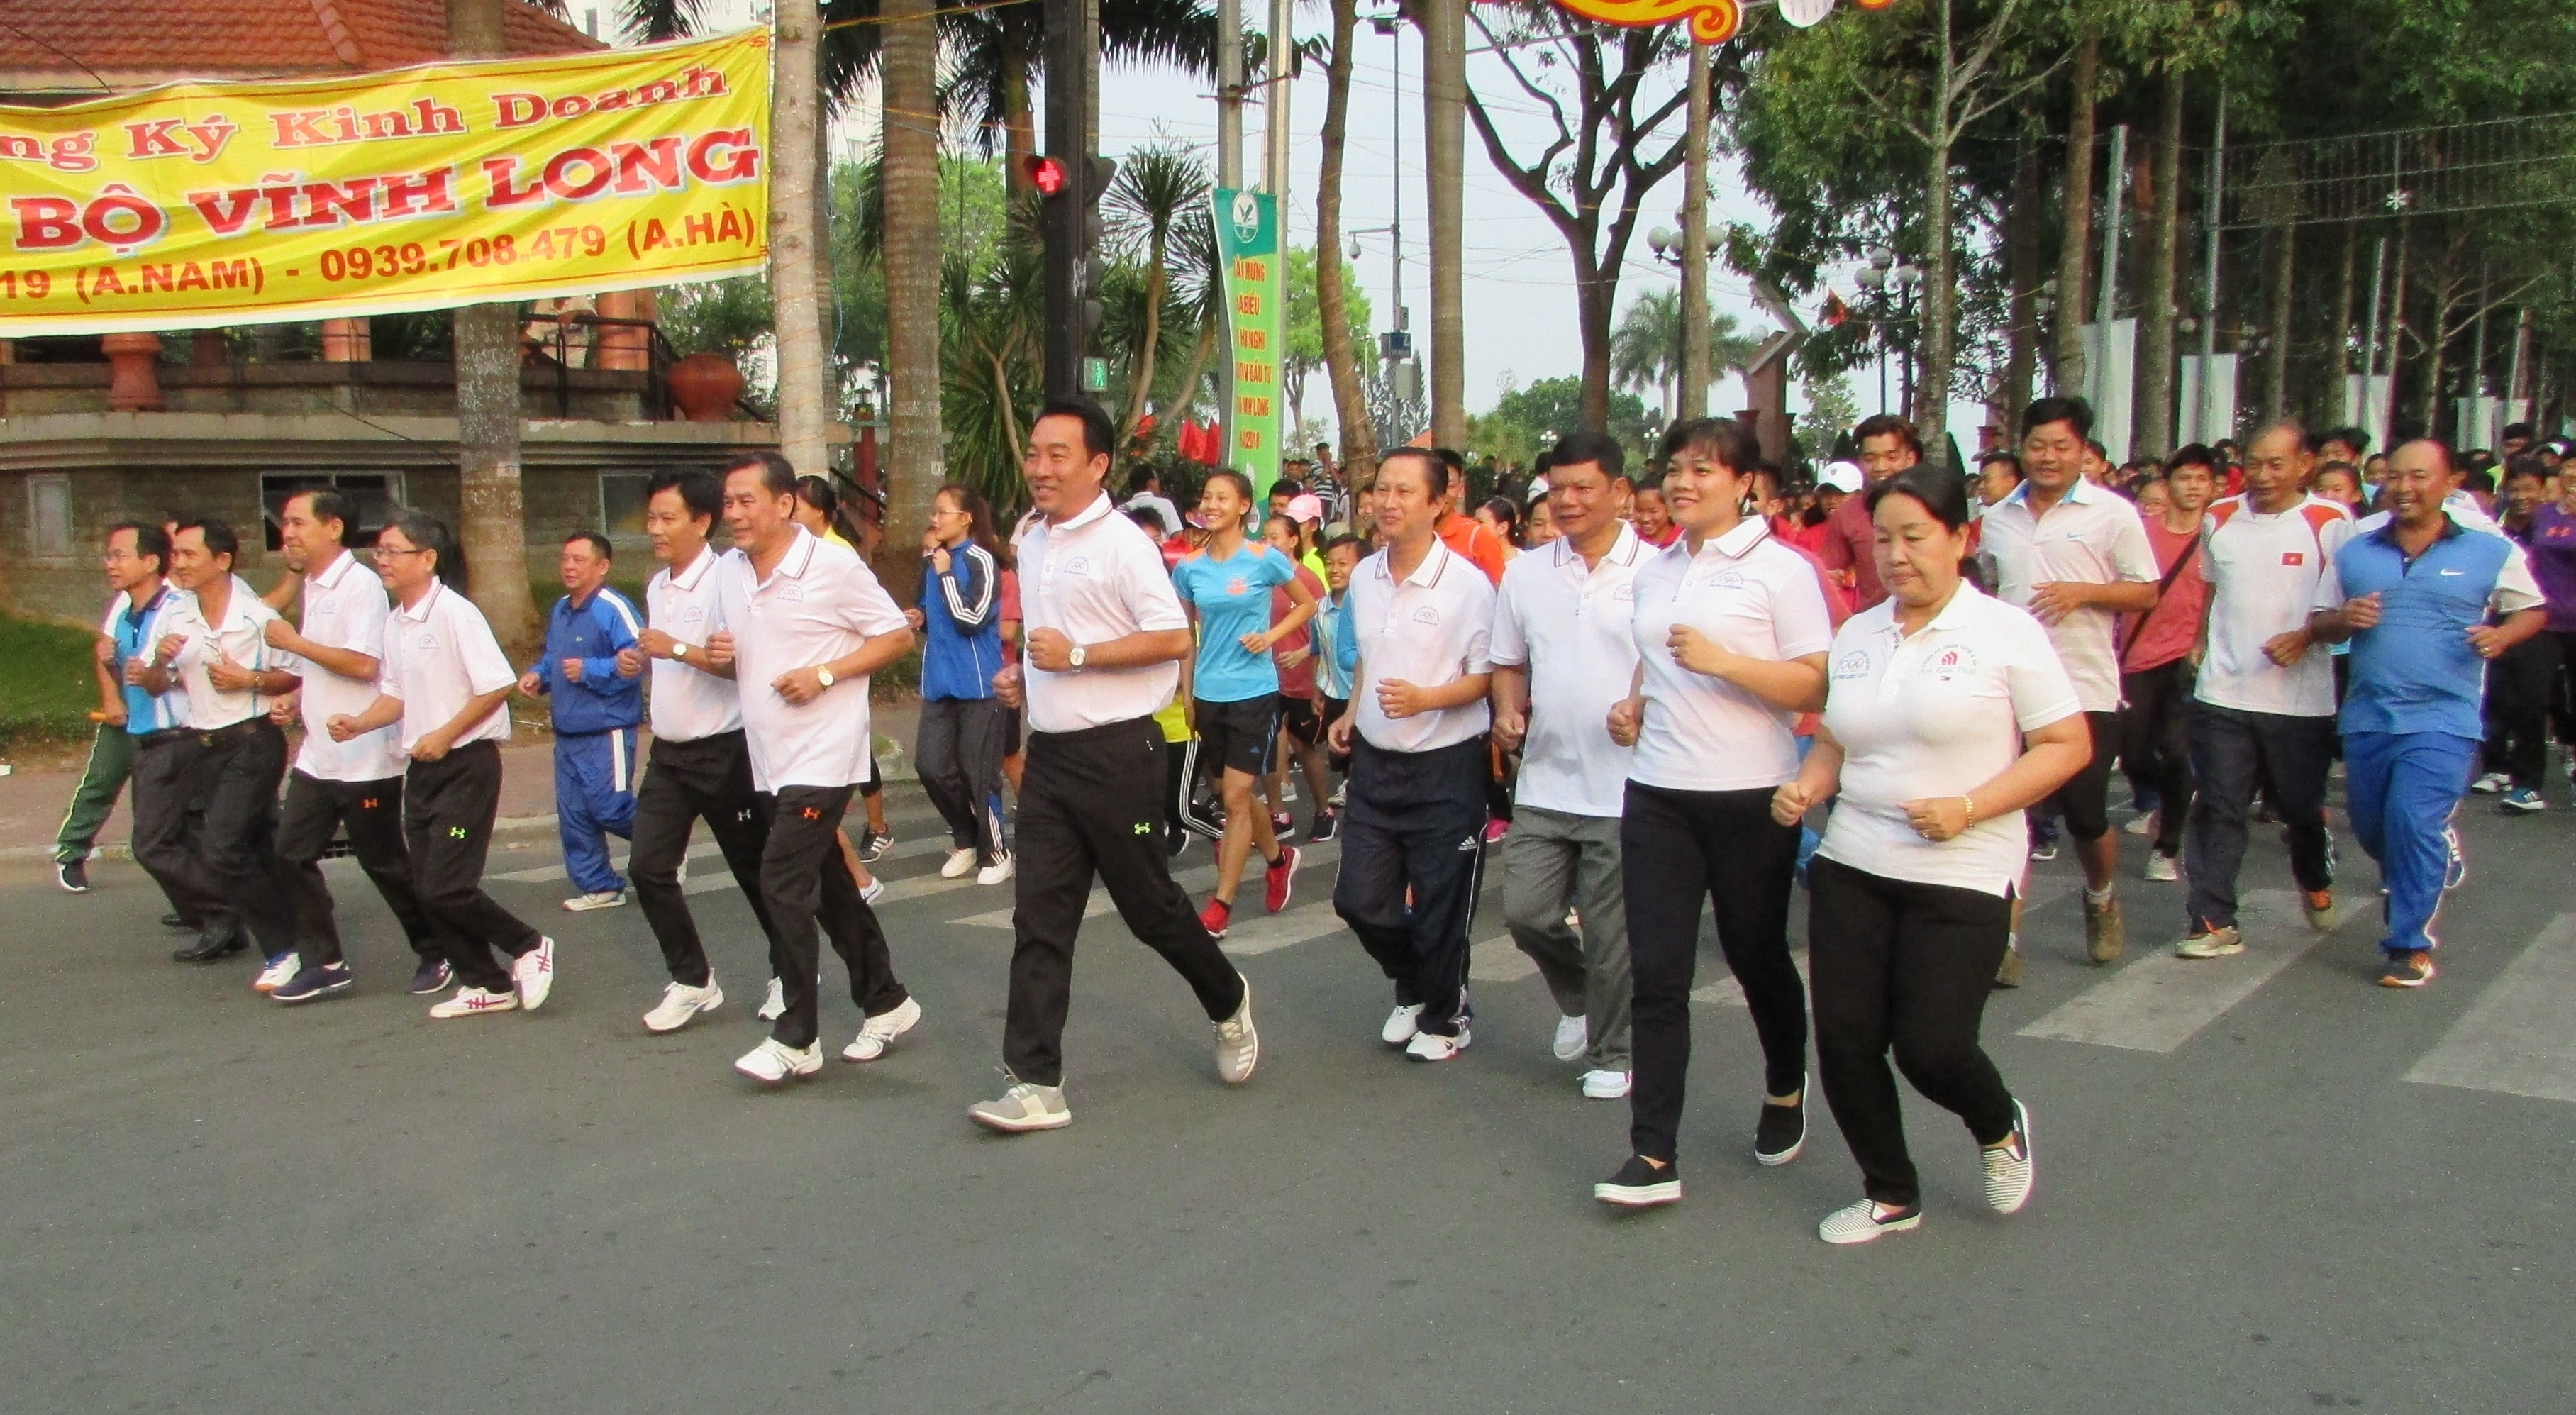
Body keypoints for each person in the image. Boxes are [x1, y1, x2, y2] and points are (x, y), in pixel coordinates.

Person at [1770, 466, 2087, 1240]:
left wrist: (1970, 806)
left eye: (1914, 537)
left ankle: (1997, 1123)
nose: (1896, 555)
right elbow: (1840, 736)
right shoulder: (1858, 632)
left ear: (1960, 537)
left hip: (1963, 865)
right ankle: (1888, 1190)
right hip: (1854, 859)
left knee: (1932, 1046)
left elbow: (2065, 744)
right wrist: (1807, 785)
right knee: (1844, 1037)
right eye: (1882, 539)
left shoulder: (2005, 633)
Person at [976, 399, 1258, 1132]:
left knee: (1148, 907)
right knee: (1038, 915)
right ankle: (1036, 1082)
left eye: (1057, 455)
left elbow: (1169, 639)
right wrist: (1027, 678)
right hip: (1052, 755)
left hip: (1118, 752)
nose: (1039, 467)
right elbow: (1049, 636)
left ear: (1097, 464)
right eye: (1034, 453)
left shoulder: (1124, 544)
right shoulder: (1031, 538)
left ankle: (1225, 998)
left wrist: (1075, 656)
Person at [1589, 418, 1831, 1209]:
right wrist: (1631, 705)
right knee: (1657, 974)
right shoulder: (1658, 568)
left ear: (1744, 483)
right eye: (1675, 468)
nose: (1682, 483)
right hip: (1657, 793)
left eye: (1702, 470)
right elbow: (1653, 656)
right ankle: (1652, 1153)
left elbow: (1815, 687)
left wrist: (1725, 661)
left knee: (1754, 954)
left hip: (1749, 796)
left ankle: (1785, 1083)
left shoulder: (1781, 572)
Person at [2309, 438, 2546, 988]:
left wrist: (2502, 634)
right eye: (2394, 477)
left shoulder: (2488, 547)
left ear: (2449, 482)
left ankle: (2408, 944)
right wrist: (2344, 618)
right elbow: (2321, 620)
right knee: (2372, 827)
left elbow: (2531, 609)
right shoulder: (2357, 547)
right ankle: (2431, 852)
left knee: (2411, 818)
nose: (2404, 488)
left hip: (2444, 716)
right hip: (2369, 715)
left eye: (2418, 476)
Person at [713, 452, 921, 1080]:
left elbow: (895, 635)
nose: (735, 513)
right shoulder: (729, 572)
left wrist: (825, 673)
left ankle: (798, 1037)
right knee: (827, 883)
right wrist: (718, 655)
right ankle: (886, 998)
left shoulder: (832, 564)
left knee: (780, 880)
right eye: (728, 502)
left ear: (784, 504)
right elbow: (742, 658)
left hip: (825, 754)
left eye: (747, 500)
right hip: (769, 756)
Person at [325, 513, 556, 1019]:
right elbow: (396, 694)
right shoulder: (395, 621)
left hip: (465, 764)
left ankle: (528, 943)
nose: (382, 560)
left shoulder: (455, 614)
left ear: (428, 559)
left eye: (393, 551)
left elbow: (495, 685)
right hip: (422, 768)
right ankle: (486, 982)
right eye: (379, 551)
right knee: (427, 886)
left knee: (447, 885)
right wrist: (359, 724)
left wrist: (445, 734)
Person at [1977, 396, 2161, 969]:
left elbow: (2146, 590)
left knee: (2085, 814)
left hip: (2084, 686)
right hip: (2005, 686)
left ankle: (2101, 894)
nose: (2048, 457)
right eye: (2037, 446)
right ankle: (2003, 939)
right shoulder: (1998, 516)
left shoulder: (2112, 514)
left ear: (2084, 451)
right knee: (2011, 812)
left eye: (2062, 446)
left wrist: (2085, 592)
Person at [1329, 447, 1497, 1062]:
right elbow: (1372, 657)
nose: (1388, 502)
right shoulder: (1366, 576)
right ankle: (1416, 984)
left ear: (1438, 502)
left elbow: (1486, 677)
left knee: (1441, 905)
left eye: (1405, 492)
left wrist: (1428, 697)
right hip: (1377, 764)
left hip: (1446, 767)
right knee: (1359, 899)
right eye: (1381, 490)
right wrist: (1351, 713)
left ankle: (1448, 1017)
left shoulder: (1469, 586)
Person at [1488, 432, 1642, 1102]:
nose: (1570, 501)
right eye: (1558, 489)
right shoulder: (1526, 572)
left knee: (1611, 930)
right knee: (1526, 912)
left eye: (1585, 487)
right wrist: (1507, 709)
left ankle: (1615, 1050)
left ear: (1620, 492)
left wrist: (1639, 706)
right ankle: (1580, 997)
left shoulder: (1657, 571)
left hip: (1626, 783)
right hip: (1546, 774)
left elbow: (1668, 663)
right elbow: (1508, 660)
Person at [2177, 422, 2353, 958]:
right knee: (2219, 804)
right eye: (2254, 463)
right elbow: (2212, 589)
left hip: (2299, 700)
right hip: (2224, 692)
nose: (2263, 475)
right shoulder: (2220, 517)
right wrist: (2199, 641)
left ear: (2305, 464)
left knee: (2299, 806)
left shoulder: (2330, 521)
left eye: (2277, 464)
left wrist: (2304, 638)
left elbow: (2343, 611)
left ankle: (2314, 872)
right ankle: (2212, 920)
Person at [261, 488, 440, 1003]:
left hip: (365, 756)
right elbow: (320, 664)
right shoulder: (313, 585)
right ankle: (325, 961)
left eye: (297, 522)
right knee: (291, 854)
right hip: (319, 755)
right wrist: (294, 699)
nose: (287, 532)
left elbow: (364, 664)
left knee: (384, 862)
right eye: (286, 524)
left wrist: (293, 644)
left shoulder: (359, 584)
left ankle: (436, 948)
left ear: (333, 527)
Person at [623, 469, 787, 1033]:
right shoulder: (657, 585)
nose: (656, 529)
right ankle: (693, 979)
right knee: (647, 867)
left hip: (725, 750)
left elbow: (739, 664)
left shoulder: (729, 581)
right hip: (669, 753)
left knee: (753, 870)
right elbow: (671, 655)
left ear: (701, 521)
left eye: (668, 518)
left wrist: (677, 648)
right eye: (651, 518)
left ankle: (788, 970)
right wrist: (643, 658)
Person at [137, 518, 303, 982]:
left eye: (190, 554)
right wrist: (158, 662)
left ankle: (283, 948)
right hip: (204, 745)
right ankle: (307, 931)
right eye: (177, 554)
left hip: (252, 741)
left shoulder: (256, 616)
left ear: (222, 560)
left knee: (223, 847)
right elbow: (154, 686)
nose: (179, 564)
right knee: (254, 846)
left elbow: (293, 675)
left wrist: (248, 679)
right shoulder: (174, 615)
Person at [1172, 470, 1314, 938]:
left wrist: (1270, 637)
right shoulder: (1189, 568)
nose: (1211, 504)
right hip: (1209, 694)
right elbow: (1187, 639)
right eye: (1207, 496)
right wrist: (1188, 694)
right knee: (1235, 793)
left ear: (1243, 507)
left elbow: (1307, 603)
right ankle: (1278, 858)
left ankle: (1221, 905)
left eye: (1223, 497)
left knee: (1233, 797)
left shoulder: (1263, 558)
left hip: (1254, 691)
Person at [517, 533, 644, 911]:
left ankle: (663, 844)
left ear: (603, 566)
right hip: (569, 731)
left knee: (611, 808)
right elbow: (555, 658)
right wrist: (539, 676)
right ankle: (600, 885)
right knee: (574, 814)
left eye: (579, 560)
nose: (569, 567)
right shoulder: (560, 609)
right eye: (565, 558)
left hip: (608, 729)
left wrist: (589, 669)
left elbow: (638, 662)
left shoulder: (613, 608)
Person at [902, 484, 1017, 882]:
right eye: (934, 512)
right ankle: (967, 839)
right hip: (939, 683)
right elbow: (931, 612)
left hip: (979, 686)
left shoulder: (981, 561)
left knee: (979, 771)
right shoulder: (932, 562)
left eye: (942, 512)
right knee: (930, 767)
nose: (935, 519)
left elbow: (971, 619)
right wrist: (918, 617)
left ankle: (997, 851)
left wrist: (947, 576)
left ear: (965, 518)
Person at [53, 524, 172, 896]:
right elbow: (106, 648)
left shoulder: (183, 598)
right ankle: (72, 851)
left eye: (117, 555)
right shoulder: (127, 600)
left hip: (167, 721)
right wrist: (112, 697)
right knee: (102, 781)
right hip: (130, 714)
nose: (110, 564)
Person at [88, 524, 198, 921]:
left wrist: (155, 669)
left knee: (152, 844)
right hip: (144, 735)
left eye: (119, 555)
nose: (110, 564)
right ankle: (202, 910)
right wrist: (110, 666)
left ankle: (221, 908)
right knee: (176, 837)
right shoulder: (125, 614)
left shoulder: (176, 608)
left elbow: (178, 676)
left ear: (151, 561)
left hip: (177, 736)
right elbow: (131, 684)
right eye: (109, 555)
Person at [2118, 451, 2217, 882]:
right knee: (2134, 750)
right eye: (2184, 478)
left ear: (2213, 487)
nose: (2192, 487)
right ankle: (2163, 803)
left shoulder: (2219, 538)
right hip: (2137, 654)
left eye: (2201, 479)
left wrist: (2204, 644)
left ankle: (2168, 846)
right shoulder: (2142, 534)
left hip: (2188, 657)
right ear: (2168, 484)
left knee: (2179, 753)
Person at [791, 477, 896, 879]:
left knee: (837, 768)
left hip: (836, 679)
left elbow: (887, 633)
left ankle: (871, 843)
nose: (790, 516)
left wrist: (829, 672)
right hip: (811, 683)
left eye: (796, 507)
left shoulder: (837, 555)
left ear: (818, 511)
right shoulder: (798, 555)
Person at [2474, 457, 2558, 811]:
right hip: (2497, 616)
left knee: (2530, 702)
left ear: (2543, 490)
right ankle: (2494, 767)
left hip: (2542, 621)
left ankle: (2528, 783)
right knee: (2493, 695)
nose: (2522, 496)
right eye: (2515, 488)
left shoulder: (2555, 529)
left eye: (2530, 488)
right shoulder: (2495, 528)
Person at [1260, 512, 1336, 843]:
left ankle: (1324, 811)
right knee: (1266, 745)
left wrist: (1304, 653)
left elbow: (1324, 628)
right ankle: (1279, 815)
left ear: (1294, 540)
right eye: (1265, 537)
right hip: (1266, 676)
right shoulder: (1260, 576)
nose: (1269, 543)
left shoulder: (1306, 579)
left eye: (1275, 537)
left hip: (1301, 677)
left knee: (1305, 748)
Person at [1818, 414, 1923, 610]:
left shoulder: (1933, 506)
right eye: (1870, 458)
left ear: (1910, 459)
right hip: (1876, 626)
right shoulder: (1848, 514)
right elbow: (1823, 576)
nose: (1880, 467)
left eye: (1891, 457)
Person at [1121, 466, 1183, 537]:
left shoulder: (1121, 509)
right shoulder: (1165, 505)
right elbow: (1177, 536)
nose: (1159, 484)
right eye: (1157, 480)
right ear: (1151, 483)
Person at [1972, 451, 2023, 518]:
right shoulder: (1970, 509)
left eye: (1987, 480)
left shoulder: (2028, 513)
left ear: (2010, 481)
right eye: (1980, 481)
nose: (1980, 486)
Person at [1628, 484, 1679, 548]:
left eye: (1653, 511)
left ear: (1669, 509)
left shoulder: (1685, 540)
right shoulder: (1631, 539)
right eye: (1639, 511)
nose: (1645, 518)